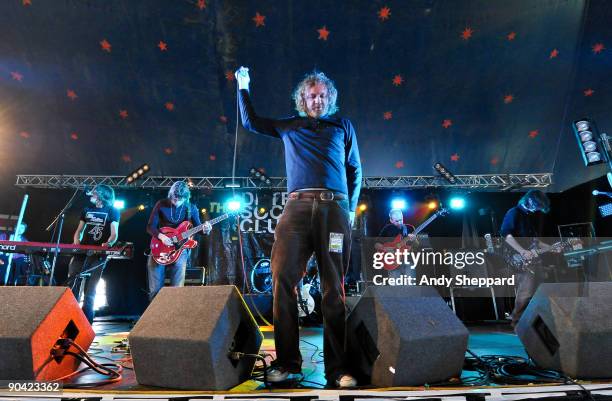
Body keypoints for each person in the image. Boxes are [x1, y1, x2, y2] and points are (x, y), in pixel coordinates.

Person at [235, 66, 362, 388]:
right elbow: (251, 122)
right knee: (282, 281)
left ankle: (338, 370)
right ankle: (289, 364)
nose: (317, 100)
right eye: (311, 95)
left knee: (334, 288)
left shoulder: (342, 125)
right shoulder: (289, 126)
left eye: (322, 96)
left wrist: (348, 209)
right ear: (301, 99)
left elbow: (355, 169)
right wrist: (244, 86)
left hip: (334, 210)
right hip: (297, 208)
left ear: (329, 98)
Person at [500, 189, 561, 328]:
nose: (536, 210)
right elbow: (506, 235)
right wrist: (522, 251)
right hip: (521, 260)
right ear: (530, 200)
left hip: (533, 260)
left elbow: (535, 241)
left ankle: (538, 322)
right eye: (536, 206)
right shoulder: (513, 212)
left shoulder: (528, 217)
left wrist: (552, 248)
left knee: (540, 291)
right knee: (526, 292)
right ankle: (516, 323)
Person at [146, 181, 212, 300]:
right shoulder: (161, 204)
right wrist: (162, 237)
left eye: (179, 199)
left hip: (181, 250)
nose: (175, 201)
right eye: (173, 198)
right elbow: (150, 226)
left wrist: (206, 229)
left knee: (177, 289)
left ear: (185, 198)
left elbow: (199, 229)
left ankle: (173, 317)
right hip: (160, 246)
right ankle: (155, 317)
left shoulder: (191, 208)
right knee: (155, 290)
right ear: (170, 195)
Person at [68, 185, 119, 323]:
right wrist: (76, 241)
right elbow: (79, 230)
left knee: (90, 290)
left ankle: (86, 323)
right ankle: (69, 318)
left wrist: (108, 243)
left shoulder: (112, 211)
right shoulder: (87, 210)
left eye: (95, 193)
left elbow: (114, 234)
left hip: (98, 254)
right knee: (72, 283)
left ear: (101, 195)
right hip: (82, 251)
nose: (92, 194)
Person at [375, 209, 418, 279]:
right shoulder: (387, 229)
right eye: (397, 221)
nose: (399, 222)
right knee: (395, 288)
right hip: (392, 263)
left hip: (408, 261)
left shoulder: (410, 228)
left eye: (401, 219)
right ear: (391, 220)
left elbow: (416, 246)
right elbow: (376, 244)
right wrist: (386, 249)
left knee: (410, 287)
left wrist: (414, 239)